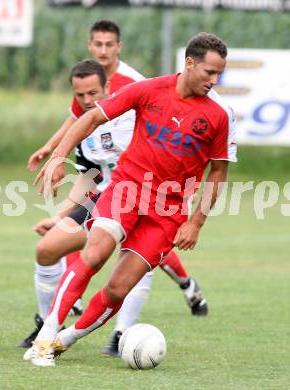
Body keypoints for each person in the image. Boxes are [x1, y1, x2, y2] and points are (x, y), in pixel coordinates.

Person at [25, 31, 237, 367]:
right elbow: (92, 116)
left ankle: (64, 340)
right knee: (94, 253)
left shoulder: (220, 115)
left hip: (169, 212)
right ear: (190, 63)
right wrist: (57, 155)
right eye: (209, 72)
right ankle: (45, 336)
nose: (215, 80)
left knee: (117, 289)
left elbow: (219, 172)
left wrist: (196, 222)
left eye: (219, 74)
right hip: (126, 190)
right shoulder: (150, 89)